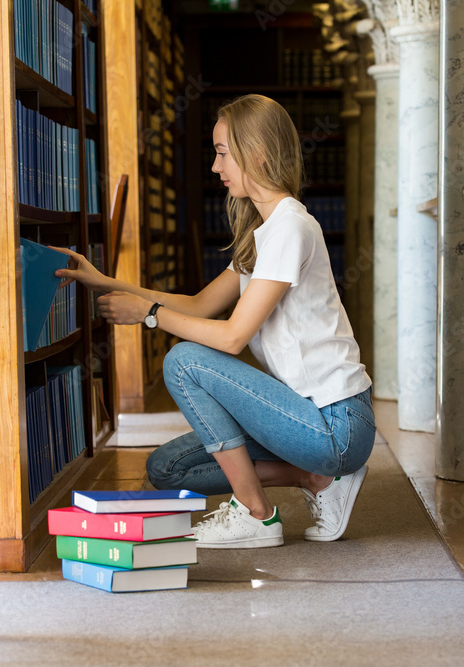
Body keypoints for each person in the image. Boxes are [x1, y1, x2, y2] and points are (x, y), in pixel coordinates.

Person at [51, 94, 375, 549]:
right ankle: (318, 479)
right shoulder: (262, 235)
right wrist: (105, 282)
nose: (214, 166)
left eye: (222, 152)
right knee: (168, 469)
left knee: (183, 361)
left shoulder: (291, 228)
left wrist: (147, 315)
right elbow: (200, 304)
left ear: (256, 153)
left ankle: (257, 515)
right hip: (299, 417)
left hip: (335, 424)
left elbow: (232, 336)